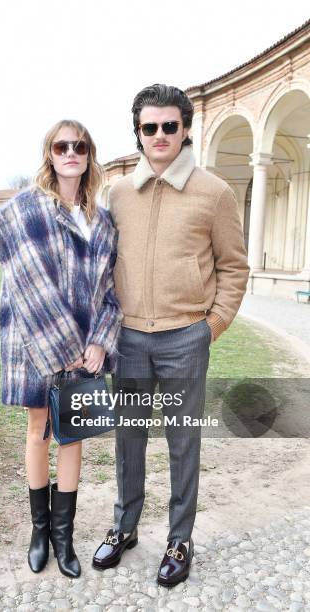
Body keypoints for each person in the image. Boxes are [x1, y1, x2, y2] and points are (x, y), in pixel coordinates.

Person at [92, 84, 250, 587]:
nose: (159, 135)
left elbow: (234, 267)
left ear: (185, 129)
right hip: (130, 339)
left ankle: (180, 539)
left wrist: (211, 326)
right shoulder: (117, 194)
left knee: (184, 443)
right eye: (148, 127)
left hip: (186, 338)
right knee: (129, 441)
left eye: (169, 126)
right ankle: (125, 528)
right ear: (138, 134)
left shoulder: (214, 193)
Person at [0, 119, 123, 578]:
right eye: (61, 145)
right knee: (39, 429)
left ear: (89, 155)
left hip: (87, 348)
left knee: (73, 434)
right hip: (33, 338)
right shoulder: (26, 210)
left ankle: (64, 536)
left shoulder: (103, 223)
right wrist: (62, 343)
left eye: (79, 145)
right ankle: (39, 531)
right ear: (50, 153)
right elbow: (23, 280)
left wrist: (101, 342)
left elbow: (110, 293)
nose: (70, 152)